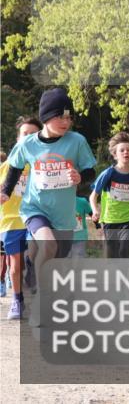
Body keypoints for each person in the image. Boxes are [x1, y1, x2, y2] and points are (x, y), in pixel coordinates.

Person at [0, 89, 97, 326]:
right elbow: (14, 167)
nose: (65, 122)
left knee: (56, 259)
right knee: (48, 243)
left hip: (63, 215)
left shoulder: (76, 141)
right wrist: (5, 191)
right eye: (59, 117)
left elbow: (90, 170)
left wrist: (79, 177)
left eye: (68, 117)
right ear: (45, 117)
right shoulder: (29, 144)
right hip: (35, 208)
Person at [0, 116, 42, 320]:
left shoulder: (40, 164)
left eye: (33, 135)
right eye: (25, 134)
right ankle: (17, 301)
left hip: (35, 216)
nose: (28, 138)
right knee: (14, 266)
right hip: (10, 220)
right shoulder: (5, 167)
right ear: (18, 138)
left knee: (34, 255)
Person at [90, 132, 129, 259]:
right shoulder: (108, 173)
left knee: (124, 249)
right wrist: (95, 210)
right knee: (112, 255)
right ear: (115, 154)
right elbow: (93, 196)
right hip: (110, 218)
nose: (125, 152)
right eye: (121, 150)